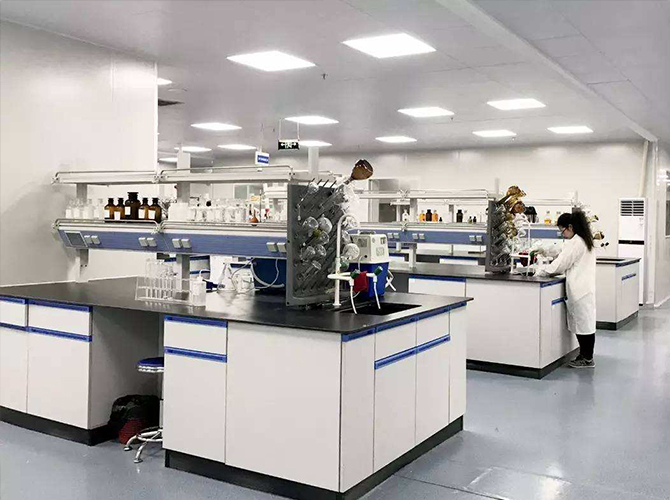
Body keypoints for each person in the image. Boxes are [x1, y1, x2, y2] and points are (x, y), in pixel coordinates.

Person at [535, 211, 597, 368]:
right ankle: (586, 356)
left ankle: (587, 358)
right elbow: (562, 251)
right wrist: (543, 250)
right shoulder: (583, 240)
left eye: (562, 231)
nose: (562, 234)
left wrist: (541, 272)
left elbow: (560, 264)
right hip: (585, 288)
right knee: (585, 323)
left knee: (583, 325)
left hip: (579, 289)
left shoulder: (576, 243)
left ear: (570, 227)